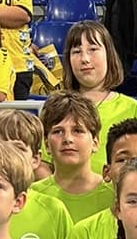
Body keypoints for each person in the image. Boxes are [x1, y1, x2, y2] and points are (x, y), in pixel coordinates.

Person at [62, 20, 137, 154]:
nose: (85, 59)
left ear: (109, 55)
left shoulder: (132, 109)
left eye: (93, 49)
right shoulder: (58, 109)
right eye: (77, 51)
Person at [36, 91, 114, 226]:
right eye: (58, 131)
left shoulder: (115, 197)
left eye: (77, 131)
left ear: (95, 142)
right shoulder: (32, 195)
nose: (68, 139)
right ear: (47, 145)